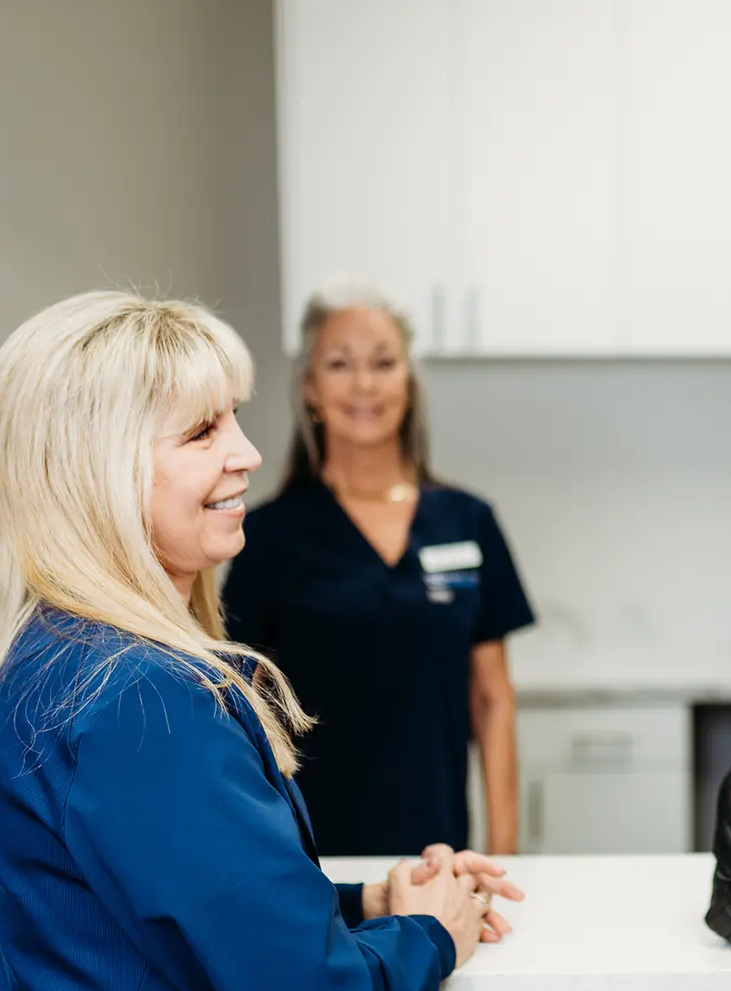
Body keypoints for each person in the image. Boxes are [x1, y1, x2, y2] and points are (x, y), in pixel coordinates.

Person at [0, 291, 522, 991]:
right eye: (203, 430)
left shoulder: (65, 657)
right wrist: (429, 935)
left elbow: (167, 914)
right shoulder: (143, 696)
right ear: (100, 469)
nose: (245, 454)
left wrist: (362, 907)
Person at [224, 279, 533, 857]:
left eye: (384, 362)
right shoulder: (265, 535)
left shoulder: (467, 521)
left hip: (440, 852)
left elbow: (493, 700)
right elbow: (243, 711)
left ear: (408, 384)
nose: (365, 383)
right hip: (311, 855)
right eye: (340, 364)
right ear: (310, 389)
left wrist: (503, 852)